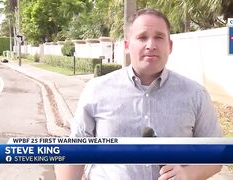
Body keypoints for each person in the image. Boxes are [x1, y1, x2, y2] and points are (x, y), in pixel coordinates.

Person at [55, 8, 222, 180]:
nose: (151, 45)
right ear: (127, 45)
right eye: (142, 37)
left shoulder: (195, 95)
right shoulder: (96, 90)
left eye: (159, 37)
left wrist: (188, 174)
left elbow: (216, 154)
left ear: (169, 46)